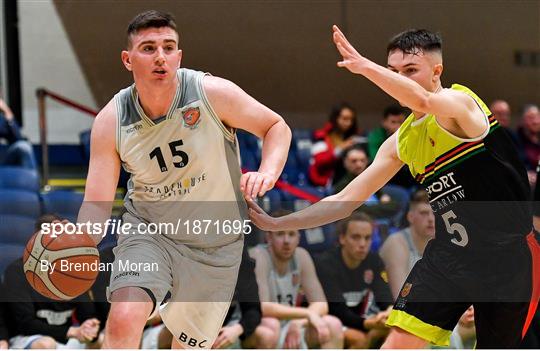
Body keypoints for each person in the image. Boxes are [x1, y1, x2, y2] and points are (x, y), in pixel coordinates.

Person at [248, 26, 540, 348]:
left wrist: (364, 66)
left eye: (410, 70)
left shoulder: (461, 104)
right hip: (450, 258)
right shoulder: (400, 142)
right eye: (394, 72)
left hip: (509, 257)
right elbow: (344, 201)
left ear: (436, 71)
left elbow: (425, 99)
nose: (400, 79)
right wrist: (280, 223)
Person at [75, 10, 290, 349]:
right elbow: (97, 204)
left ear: (179, 55)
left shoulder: (212, 93)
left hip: (215, 244)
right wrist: (80, 243)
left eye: (168, 47)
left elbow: (276, 127)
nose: (160, 56)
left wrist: (268, 172)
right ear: (127, 60)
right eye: (148, 48)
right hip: (150, 232)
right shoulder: (111, 120)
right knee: (124, 318)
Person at [249, 210, 343, 349]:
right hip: (255, 324)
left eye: (291, 234)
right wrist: (306, 314)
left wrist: (299, 322)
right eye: (280, 233)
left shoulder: (302, 256)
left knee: (332, 324)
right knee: (271, 327)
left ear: (298, 238)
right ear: (268, 237)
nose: (287, 241)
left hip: (288, 324)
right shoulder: (258, 255)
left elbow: (321, 304)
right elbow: (262, 307)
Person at [315, 212, 393, 348]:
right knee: (359, 340)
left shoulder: (374, 260)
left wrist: (389, 310)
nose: (362, 244)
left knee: (396, 331)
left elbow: (384, 294)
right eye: (356, 237)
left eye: (367, 238)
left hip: (358, 320)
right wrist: (368, 324)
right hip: (330, 321)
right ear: (342, 238)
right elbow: (337, 310)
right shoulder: (326, 263)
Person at [213, 245, 279, 349]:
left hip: (225, 329)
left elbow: (254, 309)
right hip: (192, 326)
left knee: (267, 335)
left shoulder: (241, 257)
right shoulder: (193, 255)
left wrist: (238, 329)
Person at [379, 189, 435, 299]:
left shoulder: (442, 244)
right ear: (410, 217)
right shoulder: (396, 243)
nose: (431, 219)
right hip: (385, 313)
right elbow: (400, 298)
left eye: (435, 213)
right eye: (424, 213)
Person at [309, 102, 363, 187]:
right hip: (329, 180)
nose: (348, 123)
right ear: (335, 118)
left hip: (352, 178)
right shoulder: (321, 136)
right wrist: (340, 148)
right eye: (345, 119)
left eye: (351, 120)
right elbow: (319, 161)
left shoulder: (354, 137)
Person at [0, 97, 37, 169]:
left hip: (3, 160)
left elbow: (18, 137)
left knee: (23, 146)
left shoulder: (1, 120)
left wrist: (7, 111)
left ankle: (29, 178)